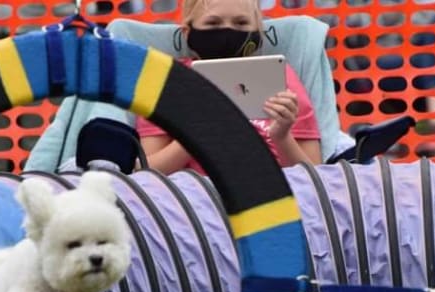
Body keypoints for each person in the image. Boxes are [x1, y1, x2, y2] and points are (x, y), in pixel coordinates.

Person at [137, 0, 322, 175]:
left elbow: (315, 177)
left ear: (258, 31)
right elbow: (146, 172)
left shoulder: (281, 78)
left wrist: (282, 137)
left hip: (274, 194)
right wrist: (193, 136)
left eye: (241, 23)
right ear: (187, 32)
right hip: (197, 198)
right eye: (213, 23)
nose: (227, 32)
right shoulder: (167, 82)